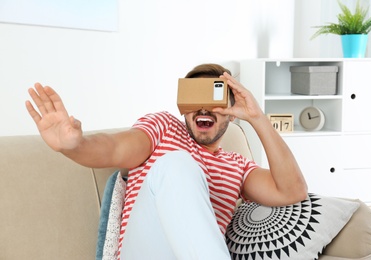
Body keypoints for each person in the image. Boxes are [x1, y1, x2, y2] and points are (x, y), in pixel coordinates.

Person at [26, 63, 307, 259]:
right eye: (194, 98)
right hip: (146, 252)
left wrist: (257, 117)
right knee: (177, 164)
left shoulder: (238, 166)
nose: (203, 108)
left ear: (232, 112)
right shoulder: (163, 127)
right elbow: (112, 148)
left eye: (215, 98)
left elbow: (292, 191)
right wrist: (76, 145)